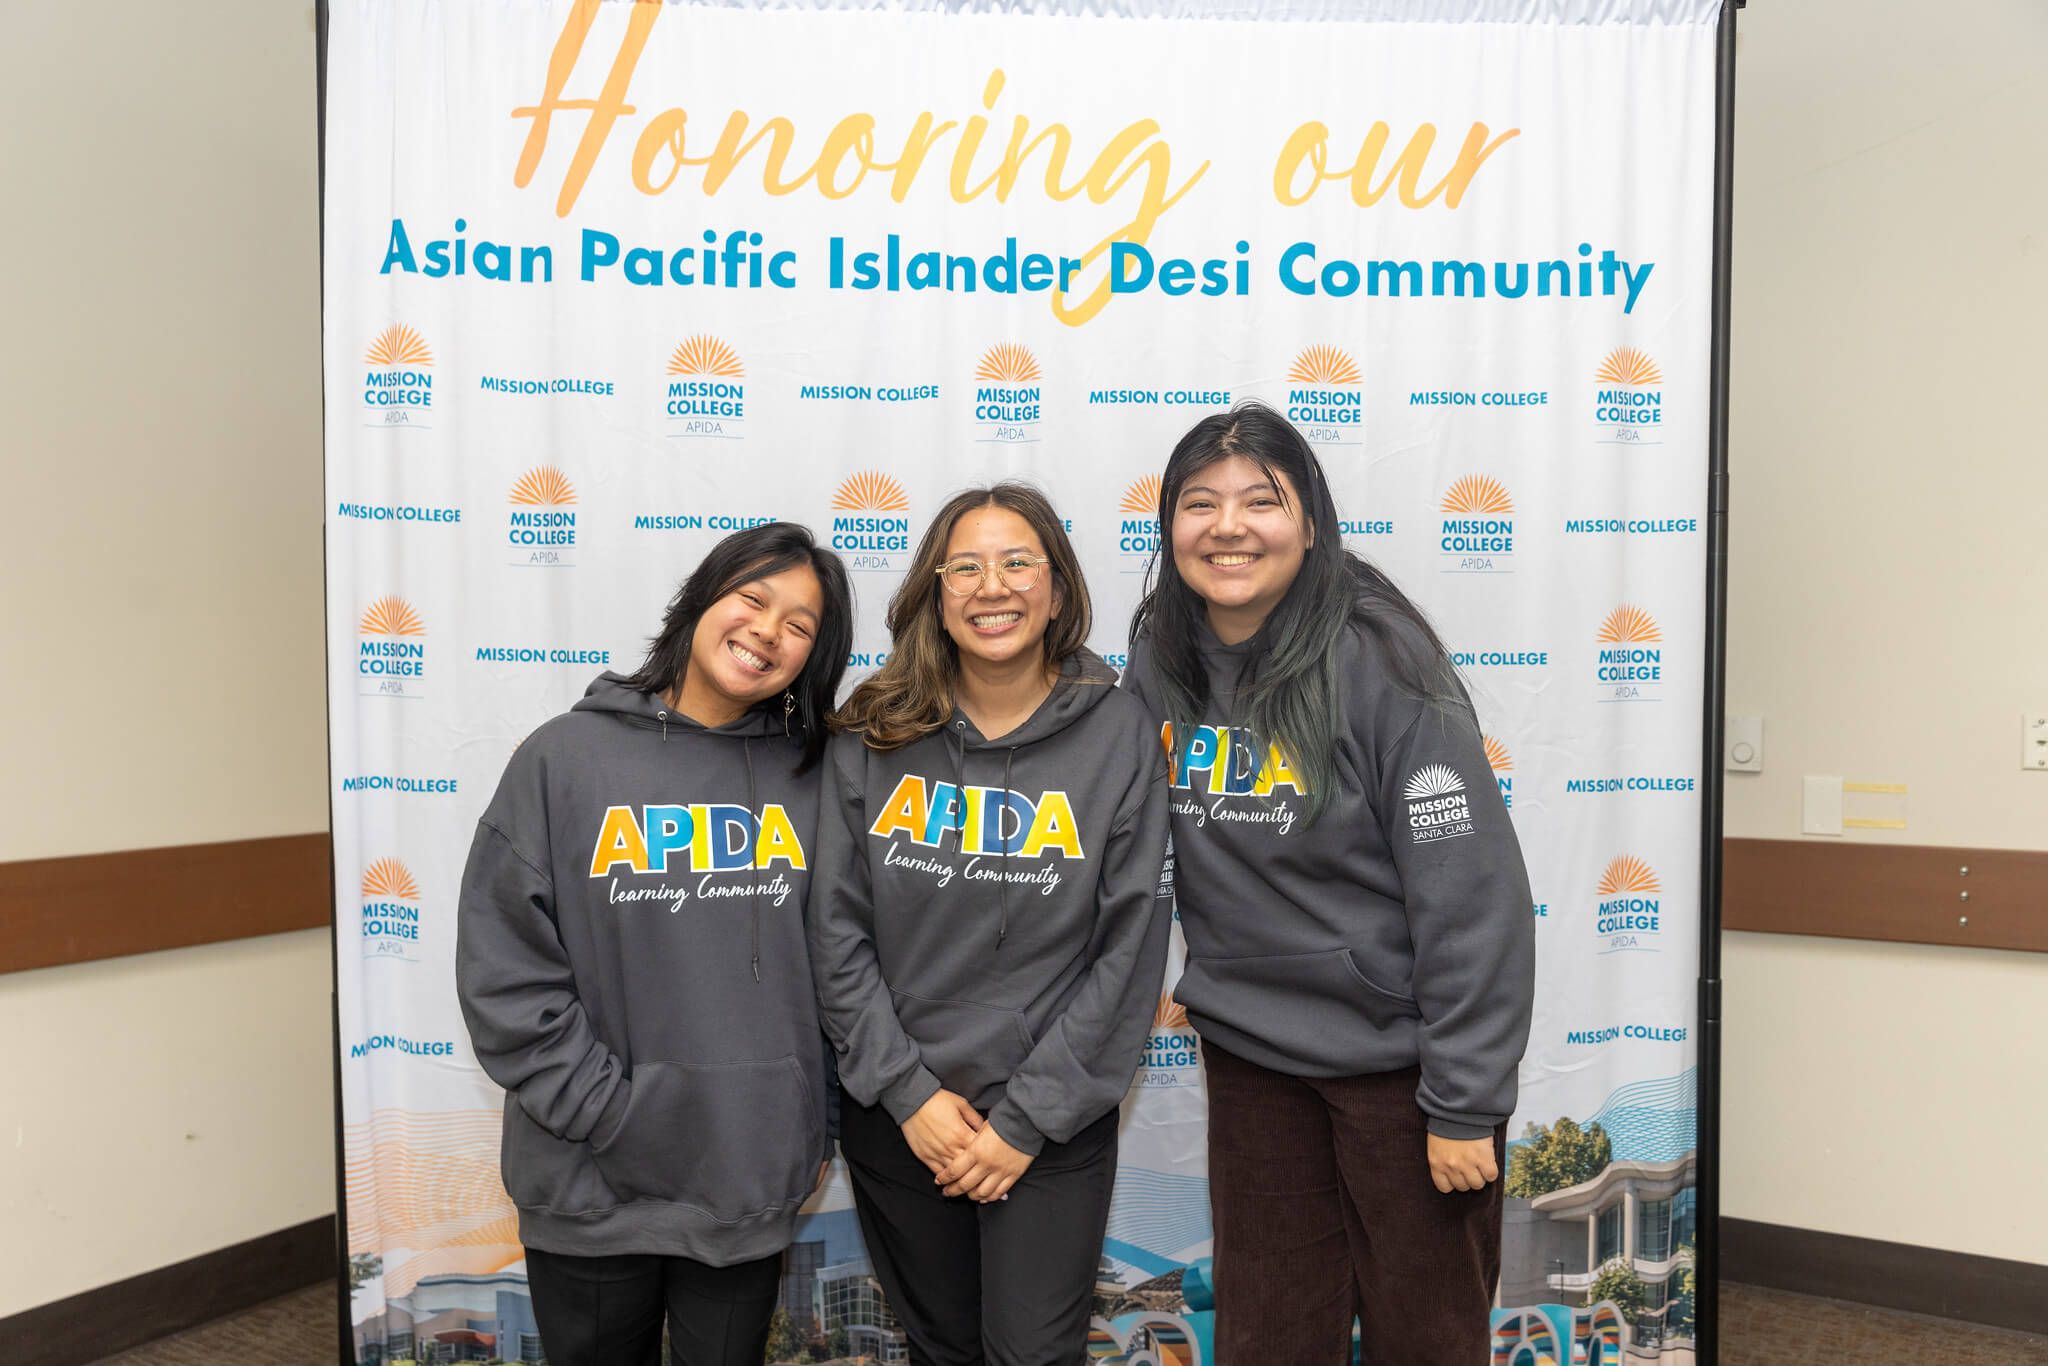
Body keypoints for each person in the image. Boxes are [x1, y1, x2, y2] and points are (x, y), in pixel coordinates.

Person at [1123, 402, 1536, 1364]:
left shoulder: (1380, 657)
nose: (1227, 526)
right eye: (1199, 503)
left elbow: (1471, 890)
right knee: (1269, 1335)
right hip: (1254, 1053)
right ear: (1169, 528)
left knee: (1425, 1334)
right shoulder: (1161, 662)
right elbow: (1126, 839)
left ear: (1310, 520)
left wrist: (1467, 1099)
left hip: (1403, 1072)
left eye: (1260, 501)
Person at [455, 523, 853, 1366]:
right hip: (587, 1178)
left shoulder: (819, 777)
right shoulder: (563, 758)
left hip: (745, 1173)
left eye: (800, 624)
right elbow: (506, 973)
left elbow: (838, 968)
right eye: (752, 598)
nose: (767, 630)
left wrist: (809, 1127)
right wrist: (610, 1114)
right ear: (701, 599)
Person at [809, 483, 1173, 1366]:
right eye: (963, 567)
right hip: (904, 1116)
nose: (991, 587)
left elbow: (1129, 950)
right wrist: (909, 1095)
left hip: (1051, 1117)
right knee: (943, 1350)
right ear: (936, 593)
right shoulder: (875, 727)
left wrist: (1025, 1121)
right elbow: (834, 929)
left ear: (1057, 586)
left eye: (1017, 562)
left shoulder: (1121, 731)